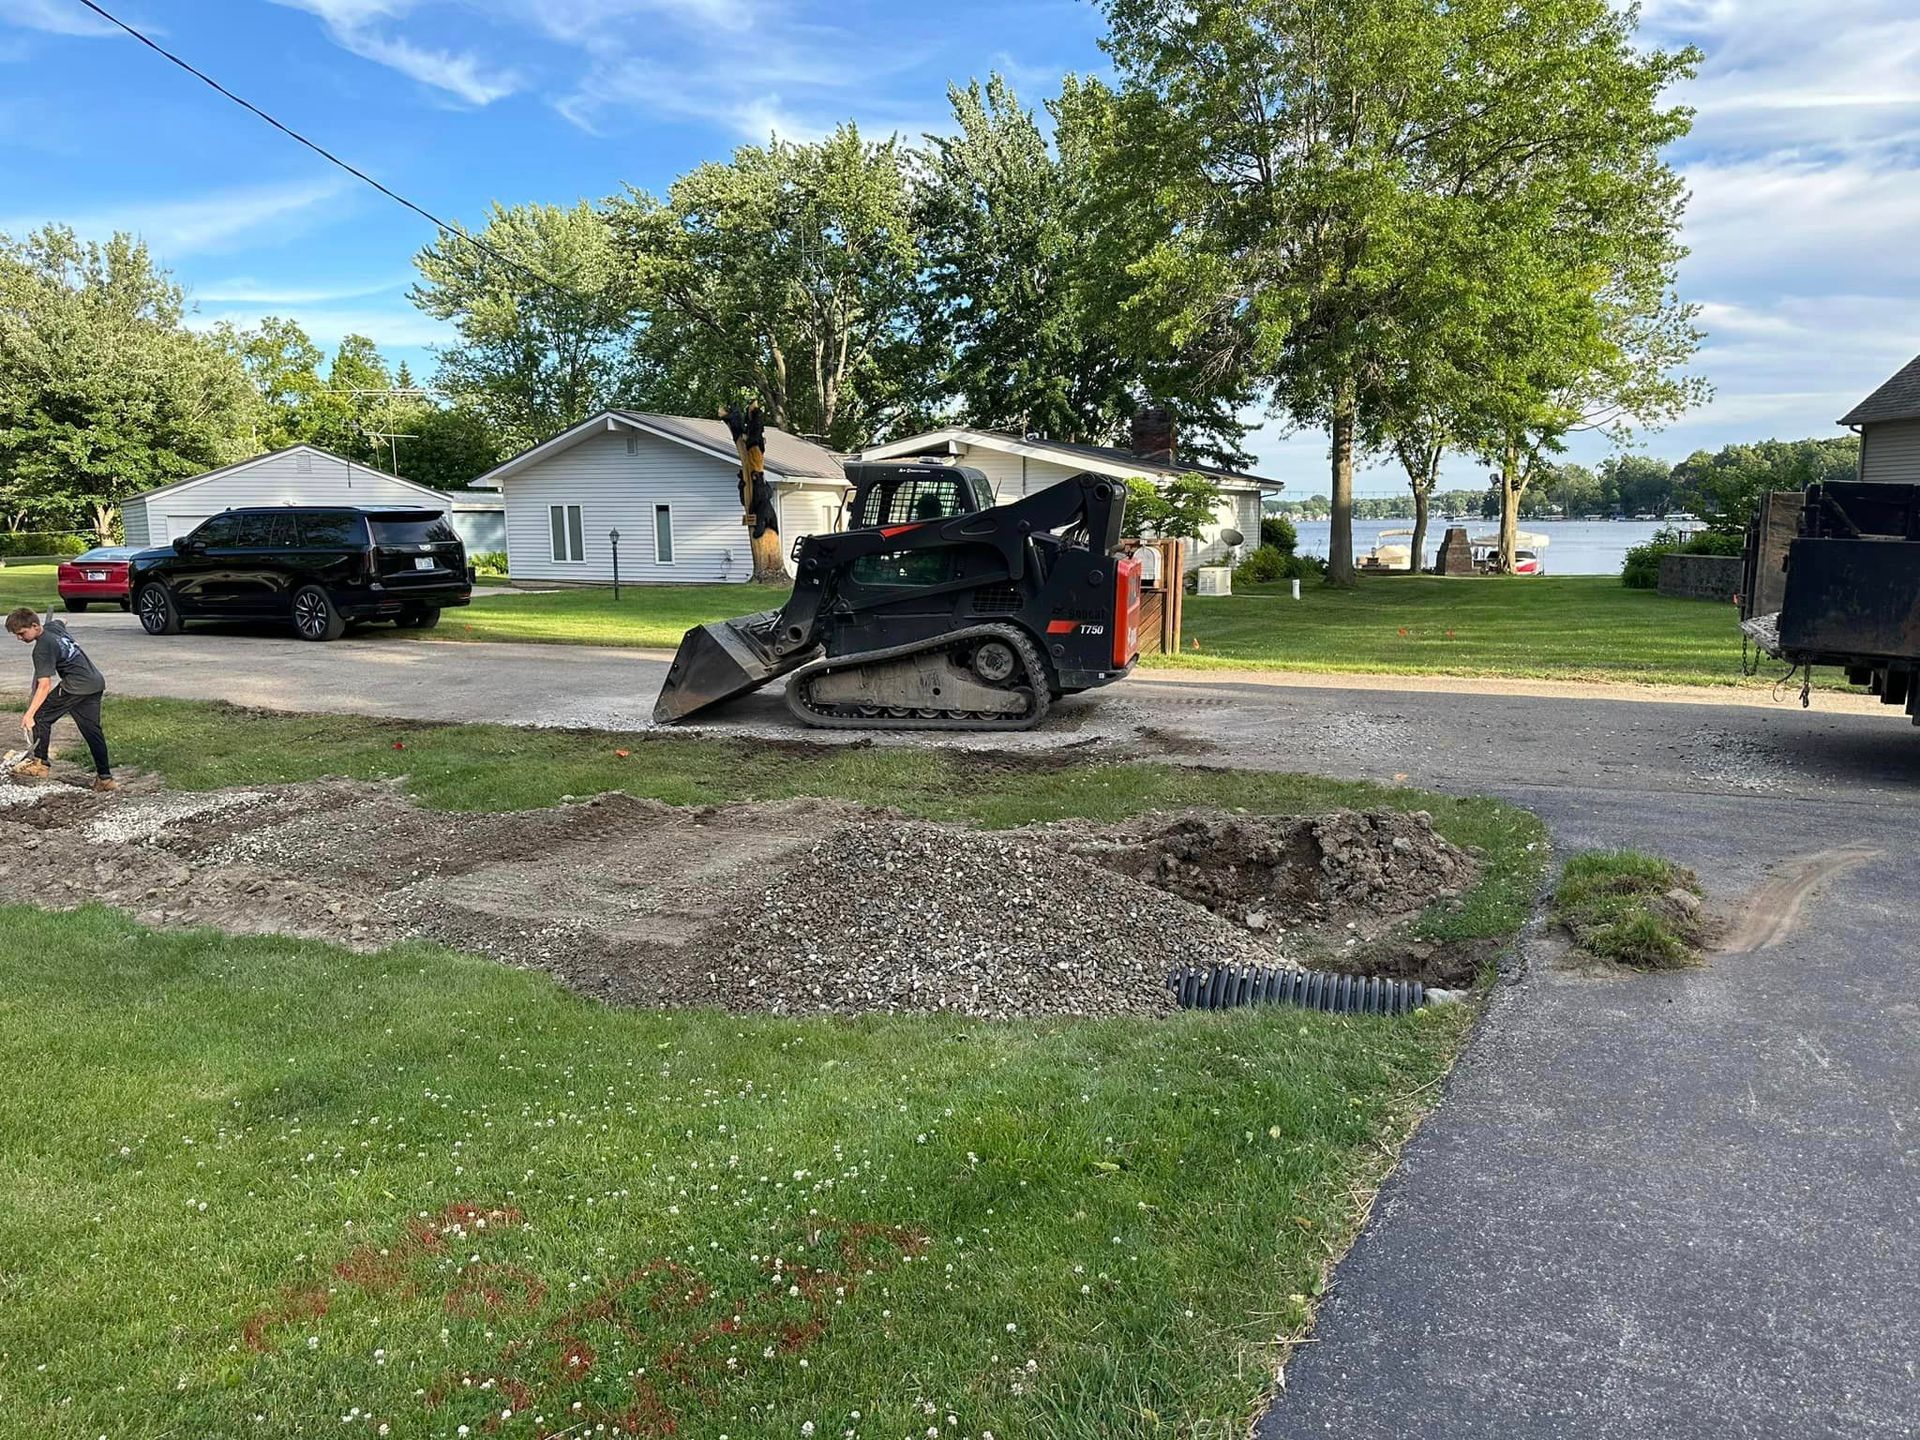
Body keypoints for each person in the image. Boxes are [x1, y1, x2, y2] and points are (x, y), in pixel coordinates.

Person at [6, 605, 115, 792]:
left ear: (34, 626)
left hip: (76, 686)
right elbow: (62, 621)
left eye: (22, 633)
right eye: (16, 634)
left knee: (41, 716)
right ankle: (105, 779)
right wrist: (55, 626)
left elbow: (44, 686)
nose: (19, 638)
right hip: (95, 682)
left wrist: (29, 714)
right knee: (92, 731)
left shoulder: (42, 649)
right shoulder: (54, 628)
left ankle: (40, 765)